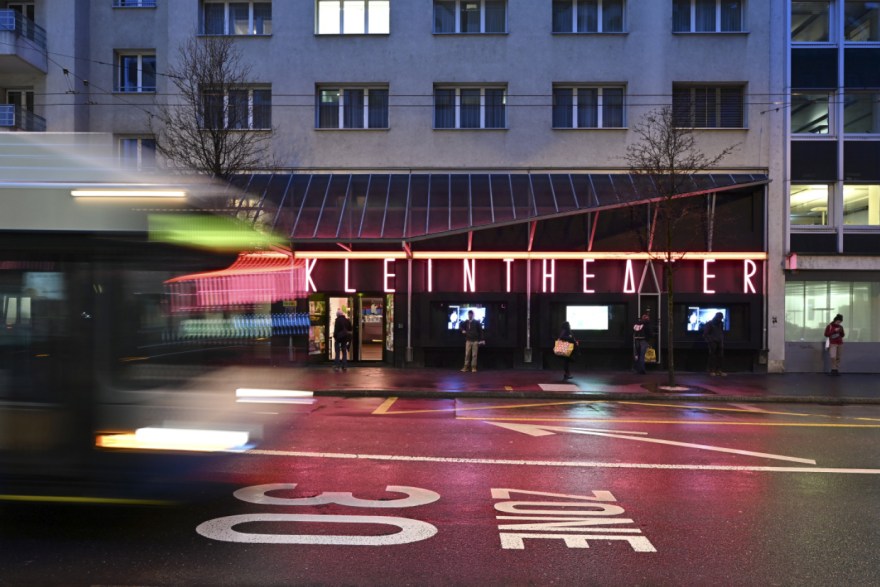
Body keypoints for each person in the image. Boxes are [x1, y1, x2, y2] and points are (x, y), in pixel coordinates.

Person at [703, 311, 726, 376]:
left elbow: (721, 332)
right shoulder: (709, 323)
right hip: (713, 342)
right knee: (712, 356)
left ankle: (719, 370)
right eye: (720, 318)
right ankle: (712, 370)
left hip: (720, 342)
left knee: (720, 356)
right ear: (716, 317)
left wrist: (721, 339)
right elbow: (705, 334)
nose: (721, 319)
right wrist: (710, 341)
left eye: (721, 318)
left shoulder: (721, 323)